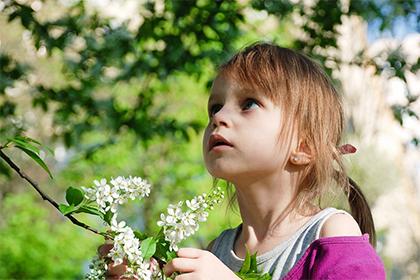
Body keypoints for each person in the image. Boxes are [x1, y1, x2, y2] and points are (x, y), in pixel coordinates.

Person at [105, 42, 386, 279]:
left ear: (304, 146)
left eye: (249, 103)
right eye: (215, 107)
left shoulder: (328, 234)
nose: (218, 117)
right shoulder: (217, 251)